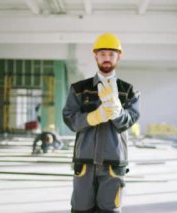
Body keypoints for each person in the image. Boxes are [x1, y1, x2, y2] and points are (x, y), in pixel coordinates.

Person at [63, 33, 140, 213]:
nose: (107, 58)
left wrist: (117, 112)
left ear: (118, 57)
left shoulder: (129, 91)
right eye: (103, 54)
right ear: (95, 55)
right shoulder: (79, 89)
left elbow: (129, 121)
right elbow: (69, 118)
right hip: (85, 164)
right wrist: (91, 118)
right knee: (80, 209)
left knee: (109, 210)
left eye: (111, 54)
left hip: (113, 165)